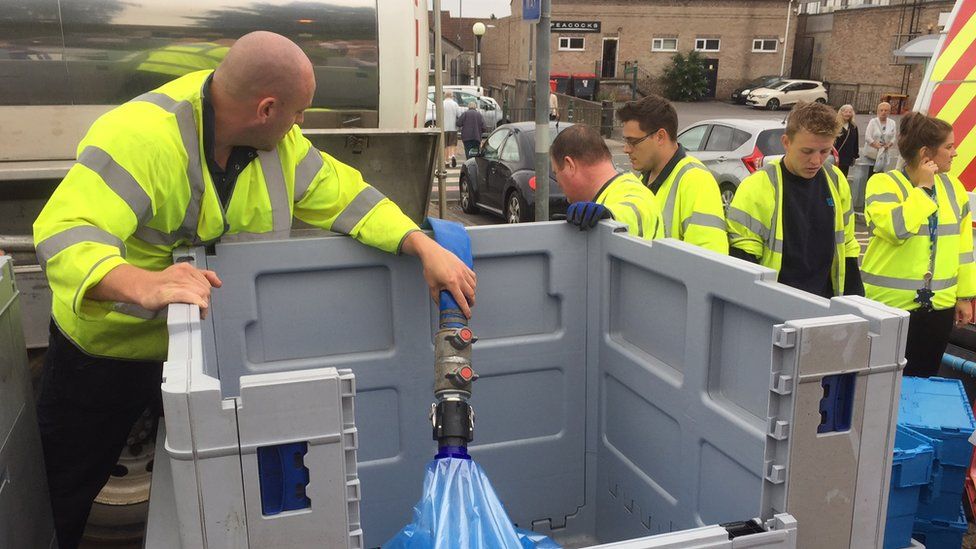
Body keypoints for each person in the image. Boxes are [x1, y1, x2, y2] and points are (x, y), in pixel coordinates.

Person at [32, 31, 476, 549]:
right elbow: (65, 233)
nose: (301, 124)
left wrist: (420, 245)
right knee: (62, 491)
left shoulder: (280, 147)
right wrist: (144, 283)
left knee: (202, 498)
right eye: (299, 112)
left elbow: (349, 198)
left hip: (207, 362)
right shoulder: (141, 137)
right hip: (103, 356)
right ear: (266, 108)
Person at [861, 112, 973, 377]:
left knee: (923, 381)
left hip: (938, 308)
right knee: (880, 385)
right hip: (888, 307)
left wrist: (965, 296)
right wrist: (922, 189)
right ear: (926, 153)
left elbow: (964, 247)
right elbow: (896, 230)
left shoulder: (954, 188)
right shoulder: (883, 184)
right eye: (948, 146)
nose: (955, 153)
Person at [727, 101, 864, 299]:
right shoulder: (758, 186)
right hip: (773, 307)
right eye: (807, 151)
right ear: (786, 142)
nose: (816, 161)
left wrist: (855, 302)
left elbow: (848, 245)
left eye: (825, 151)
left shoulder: (835, 179)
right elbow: (743, 264)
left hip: (824, 305)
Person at [615, 95, 728, 254]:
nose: (626, 149)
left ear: (660, 137)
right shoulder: (643, 179)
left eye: (633, 141)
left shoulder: (696, 180)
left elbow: (709, 263)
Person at [550, 124, 663, 239]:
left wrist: (610, 216)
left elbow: (635, 212)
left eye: (556, 172)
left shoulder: (633, 192)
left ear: (570, 165)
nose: (558, 183)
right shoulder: (613, 191)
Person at [865, 102, 898, 173]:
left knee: (881, 173)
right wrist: (876, 145)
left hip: (884, 153)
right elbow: (867, 136)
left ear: (889, 112)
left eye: (886, 110)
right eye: (881, 110)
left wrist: (888, 145)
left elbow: (893, 137)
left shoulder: (892, 123)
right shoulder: (873, 122)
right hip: (872, 153)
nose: (883, 112)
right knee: (870, 173)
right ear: (878, 111)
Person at [834, 104, 859, 176]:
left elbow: (855, 142)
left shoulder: (853, 126)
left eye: (850, 112)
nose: (848, 114)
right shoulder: (836, 125)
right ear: (841, 113)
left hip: (847, 157)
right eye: (846, 112)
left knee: (844, 176)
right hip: (836, 156)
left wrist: (855, 155)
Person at [442, 93, 460, 167]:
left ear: (445, 96)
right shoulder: (455, 104)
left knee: (445, 145)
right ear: (451, 96)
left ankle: (446, 161)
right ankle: (452, 156)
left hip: (444, 127)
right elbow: (458, 115)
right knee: (452, 144)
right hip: (453, 127)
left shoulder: (442, 103)